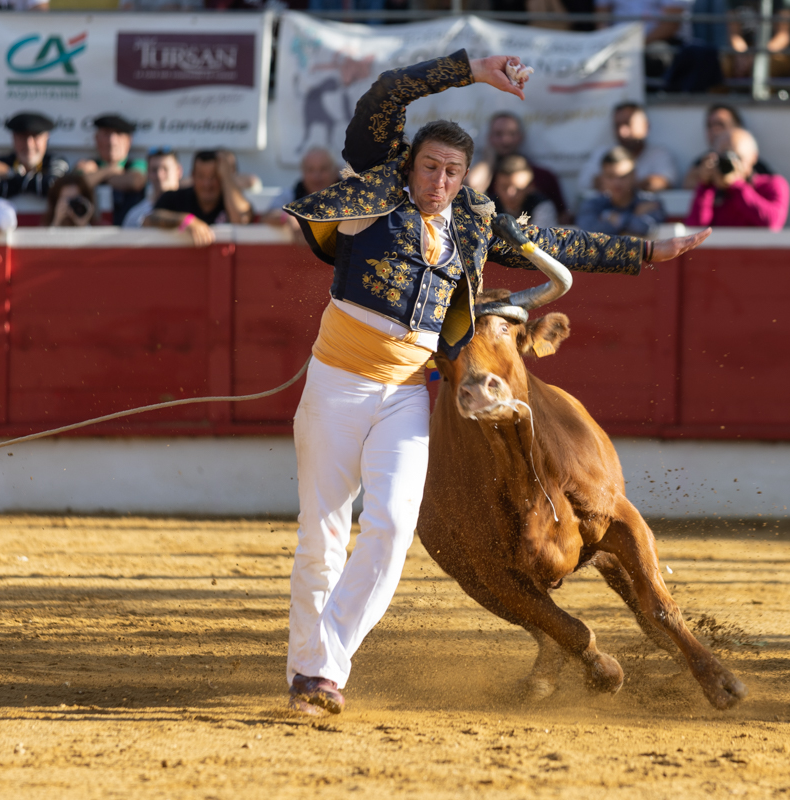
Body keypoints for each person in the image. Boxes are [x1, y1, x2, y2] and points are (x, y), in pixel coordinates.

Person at [280, 50, 710, 718]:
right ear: (410, 163)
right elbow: (386, 94)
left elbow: (555, 243)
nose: (439, 181)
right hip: (337, 383)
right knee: (324, 536)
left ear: (465, 177)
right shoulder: (378, 178)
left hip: (405, 394)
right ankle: (310, 670)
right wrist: (470, 70)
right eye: (429, 166)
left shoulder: (475, 220)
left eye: (452, 172)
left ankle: (322, 672)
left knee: (390, 529)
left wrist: (645, 253)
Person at [464, 112, 569, 220]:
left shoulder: (544, 176)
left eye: (512, 134)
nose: (506, 140)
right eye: (498, 134)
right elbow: (472, 185)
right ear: (489, 138)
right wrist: (488, 158)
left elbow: (562, 217)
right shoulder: (486, 176)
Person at [684, 126, 788, 230]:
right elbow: (695, 230)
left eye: (737, 158)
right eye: (723, 157)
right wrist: (705, 186)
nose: (730, 163)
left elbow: (772, 224)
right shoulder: (712, 189)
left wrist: (736, 185)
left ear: (754, 157)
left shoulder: (772, 184)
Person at [143, 150, 253, 245]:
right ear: (193, 176)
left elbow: (242, 219)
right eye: (201, 176)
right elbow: (148, 220)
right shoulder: (174, 197)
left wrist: (227, 176)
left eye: (213, 177)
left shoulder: (230, 200)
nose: (207, 184)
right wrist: (185, 220)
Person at [577, 103, 678, 196]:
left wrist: (616, 184)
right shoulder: (603, 153)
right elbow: (585, 181)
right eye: (617, 125)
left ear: (646, 126)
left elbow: (665, 182)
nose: (622, 132)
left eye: (628, 124)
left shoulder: (659, 154)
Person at [74, 114, 147, 226]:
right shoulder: (86, 164)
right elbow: (77, 185)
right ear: (96, 138)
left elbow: (134, 181)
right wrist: (110, 170)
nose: (112, 142)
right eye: (106, 134)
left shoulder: (137, 164)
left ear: (129, 140)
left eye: (119, 134)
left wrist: (97, 175)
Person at [577, 147, 666, 235]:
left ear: (634, 176)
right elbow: (588, 231)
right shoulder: (592, 204)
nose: (616, 183)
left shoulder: (650, 202)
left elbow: (644, 228)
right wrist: (632, 217)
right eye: (610, 176)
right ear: (602, 178)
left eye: (623, 177)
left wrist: (610, 218)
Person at [681, 104, 774, 188]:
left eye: (720, 124)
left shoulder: (753, 163)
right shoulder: (706, 161)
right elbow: (687, 185)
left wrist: (742, 180)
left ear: (737, 126)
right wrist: (705, 180)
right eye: (710, 125)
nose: (714, 130)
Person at [0, 112, 70, 200]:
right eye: (22, 137)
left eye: (35, 136)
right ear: (14, 138)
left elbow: (53, 186)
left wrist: (11, 173)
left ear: (46, 137)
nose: (29, 145)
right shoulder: (2, 161)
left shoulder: (57, 161)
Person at [263, 147, 340, 230]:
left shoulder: (348, 195)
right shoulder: (291, 195)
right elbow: (267, 216)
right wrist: (288, 217)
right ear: (303, 172)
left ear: (335, 171)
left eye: (323, 169)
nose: (316, 176)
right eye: (310, 170)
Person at [722, 0, 790, 81]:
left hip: (773, 52)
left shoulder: (783, 2)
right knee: (722, 67)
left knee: (765, 68)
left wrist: (758, 56)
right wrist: (742, 55)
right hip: (746, 50)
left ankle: (766, 89)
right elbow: (735, 34)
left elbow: (783, 36)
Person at [489, 154, 559, 228]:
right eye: (504, 187)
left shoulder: (542, 206)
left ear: (531, 187)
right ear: (495, 187)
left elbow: (541, 234)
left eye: (518, 188)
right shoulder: (487, 207)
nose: (510, 194)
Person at [122, 147, 184, 229]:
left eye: (165, 169)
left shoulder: (191, 208)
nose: (159, 175)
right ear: (147, 173)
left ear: (178, 171)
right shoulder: (135, 216)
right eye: (154, 170)